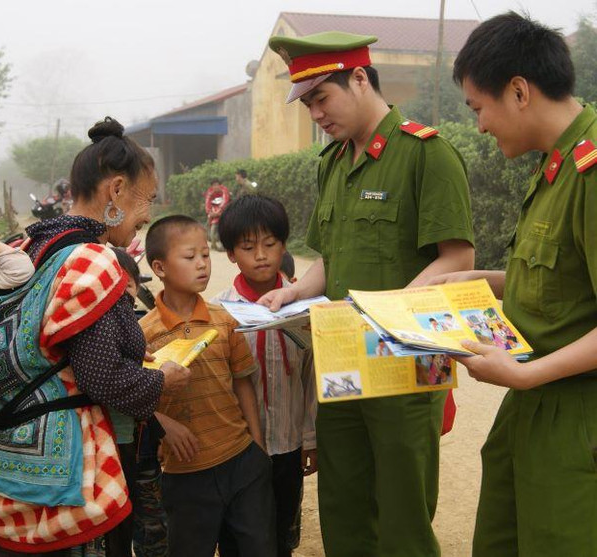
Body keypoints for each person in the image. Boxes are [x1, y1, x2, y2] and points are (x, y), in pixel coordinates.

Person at [261, 31, 475, 557]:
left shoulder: (426, 154)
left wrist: (383, 311)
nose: (316, 115)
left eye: (321, 98)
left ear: (359, 78)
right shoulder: (332, 162)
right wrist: (293, 292)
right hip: (344, 363)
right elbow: (330, 257)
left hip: (407, 362)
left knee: (403, 512)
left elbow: (457, 260)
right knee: (344, 503)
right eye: (307, 104)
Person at [0, 116, 191, 557]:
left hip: (3, 463)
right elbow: (102, 378)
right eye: (148, 199)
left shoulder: (34, 245)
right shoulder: (92, 260)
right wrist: (162, 380)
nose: (149, 215)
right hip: (64, 490)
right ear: (116, 190)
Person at [430, 13, 597, 557]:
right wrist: (484, 280)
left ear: (519, 91)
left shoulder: (591, 170)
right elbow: (566, 279)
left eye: (478, 108)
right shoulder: (555, 166)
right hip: (530, 407)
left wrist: (525, 375)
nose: (479, 125)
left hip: (574, 416)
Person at [139, 215, 276, 557]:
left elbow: (243, 383)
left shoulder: (223, 320)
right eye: (190, 257)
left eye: (205, 255)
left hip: (241, 459)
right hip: (185, 470)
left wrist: (257, 446)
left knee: (256, 547)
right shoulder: (144, 333)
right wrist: (162, 425)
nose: (202, 264)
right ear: (159, 267)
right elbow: (134, 394)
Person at [210, 195, 317, 557]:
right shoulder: (221, 312)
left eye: (270, 244)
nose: (260, 255)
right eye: (247, 247)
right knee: (236, 535)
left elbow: (311, 375)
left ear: (284, 245)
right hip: (236, 448)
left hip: (288, 444)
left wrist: (310, 438)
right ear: (230, 254)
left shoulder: (305, 308)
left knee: (281, 529)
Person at [112, 246, 170, 557]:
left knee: (153, 524)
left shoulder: (142, 327)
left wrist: (161, 433)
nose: (122, 295)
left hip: (145, 449)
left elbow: (154, 390)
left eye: (128, 286)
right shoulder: (94, 335)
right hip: (108, 453)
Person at [204, 178, 230, 251]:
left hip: (224, 211)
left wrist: (219, 212)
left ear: (220, 185)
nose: (215, 187)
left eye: (217, 185)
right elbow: (207, 203)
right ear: (211, 186)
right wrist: (210, 212)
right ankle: (211, 243)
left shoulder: (224, 190)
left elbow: (225, 201)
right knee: (207, 225)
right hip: (213, 212)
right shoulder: (210, 192)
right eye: (214, 185)